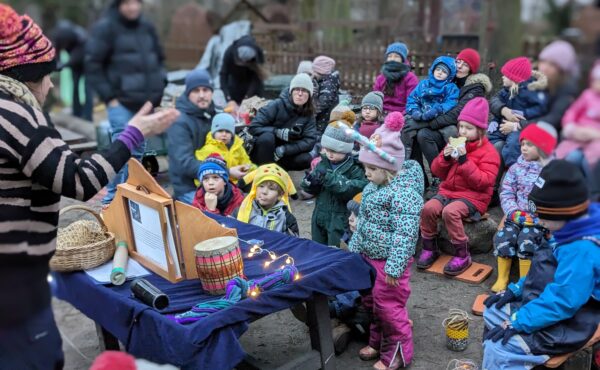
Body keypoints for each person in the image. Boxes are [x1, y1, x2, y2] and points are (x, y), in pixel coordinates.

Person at [0, 5, 178, 368]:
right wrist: (132, 135)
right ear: (26, 75)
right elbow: (79, 181)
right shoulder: (14, 115)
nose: (51, 84)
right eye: (47, 75)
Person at [482, 160, 600, 370]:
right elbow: (545, 270)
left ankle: (509, 360)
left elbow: (564, 300)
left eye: (543, 216)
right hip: (550, 303)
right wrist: (517, 289)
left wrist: (518, 321)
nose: (537, 220)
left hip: (577, 318)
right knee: (491, 311)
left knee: (497, 346)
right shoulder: (565, 229)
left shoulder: (581, 248)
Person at [348, 112, 424, 370]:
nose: (366, 174)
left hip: (390, 264)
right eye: (366, 168)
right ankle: (376, 341)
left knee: (388, 307)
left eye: (372, 169)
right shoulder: (373, 187)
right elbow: (365, 222)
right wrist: (355, 248)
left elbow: (405, 235)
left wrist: (394, 266)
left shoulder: (403, 195)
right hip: (369, 256)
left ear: (389, 169)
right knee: (372, 303)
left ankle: (398, 353)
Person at [85, 0, 167, 205]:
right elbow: (93, 64)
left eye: (136, 2)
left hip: (145, 103)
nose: (133, 7)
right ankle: (111, 202)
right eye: (127, 3)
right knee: (122, 154)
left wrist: (158, 91)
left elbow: (158, 61)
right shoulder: (107, 28)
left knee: (138, 156)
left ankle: (130, 200)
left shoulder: (146, 27)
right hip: (120, 103)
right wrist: (109, 98)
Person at [416, 98, 500, 275]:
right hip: (449, 191)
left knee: (450, 212)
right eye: (461, 126)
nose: (463, 131)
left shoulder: (490, 152)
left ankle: (462, 253)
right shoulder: (454, 143)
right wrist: (444, 158)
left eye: (468, 128)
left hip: (474, 197)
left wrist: (464, 161)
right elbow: (437, 171)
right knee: (428, 208)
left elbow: (483, 182)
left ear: (481, 130)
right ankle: (430, 247)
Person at [414, 48, 493, 197]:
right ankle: (437, 177)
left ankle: (453, 177)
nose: (459, 66)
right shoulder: (448, 80)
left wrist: (431, 122)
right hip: (440, 123)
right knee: (423, 135)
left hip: (461, 129)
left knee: (448, 132)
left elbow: (457, 113)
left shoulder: (475, 88)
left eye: (465, 64)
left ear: (471, 69)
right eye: (458, 62)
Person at [491, 123, 557, 292]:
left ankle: (523, 281)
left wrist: (538, 218)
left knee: (526, 241)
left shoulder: (550, 171)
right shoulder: (515, 168)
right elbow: (506, 191)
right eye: (522, 144)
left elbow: (554, 200)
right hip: (516, 216)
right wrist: (512, 211)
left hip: (538, 222)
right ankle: (502, 278)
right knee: (504, 237)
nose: (524, 149)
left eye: (530, 145)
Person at [301, 121, 368, 247]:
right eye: (328, 150)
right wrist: (309, 182)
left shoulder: (355, 168)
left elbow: (352, 188)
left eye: (335, 151)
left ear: (346, 149)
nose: (330, 154)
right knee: (317, 247)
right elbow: (309, 190)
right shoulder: (322, 163)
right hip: (320, 213)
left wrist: (329, 178)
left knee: (336, 249)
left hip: (340, 217)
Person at [167, 68, 218, 204]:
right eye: (196, 91)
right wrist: (220, 172)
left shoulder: (215, 115)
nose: (202, 95)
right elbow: (184, 162)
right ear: (188, 94)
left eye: (205, 90)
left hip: (216, 181)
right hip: (188, 187)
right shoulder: (179, 121)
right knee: (217, 214)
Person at [488, 56, 549, 168]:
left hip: (521, 127)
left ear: (514, 78)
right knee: (489, 138)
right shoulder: (506, 90)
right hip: (504, 123)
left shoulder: (530, 92)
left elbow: (539, 110)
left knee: (512, 146)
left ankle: (513, 170)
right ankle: (490, 171)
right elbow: (494, 100)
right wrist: (499, 116)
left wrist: (524, 114)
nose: (502, 77)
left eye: (505, 75)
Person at [249, 73, 318, 170]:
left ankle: (279, 171)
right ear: (291, 91)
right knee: (267, 138)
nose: (300, 94)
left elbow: (309, 141)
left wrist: (285, 150)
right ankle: (265, 171)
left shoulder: (309, 114)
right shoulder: (276, 105)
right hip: (264, 151)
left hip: (283, 153)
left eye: (304, 91)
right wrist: (276, 132)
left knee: (306, 159)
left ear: (309, 95)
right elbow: (253, 127)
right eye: (297, 89)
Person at [403, 56, 459, 160]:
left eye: (444, 71)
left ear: (449, 75)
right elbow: (413, 99)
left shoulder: (451, 88)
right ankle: (406, 155)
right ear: (433, 69)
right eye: (438, 69)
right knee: (406, 126)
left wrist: (438, 110)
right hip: (422, 117)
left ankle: (454, 157)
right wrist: (415, 111)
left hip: (440, 118)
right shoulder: (424, 84)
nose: (440, 72)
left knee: (452, 131)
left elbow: (451, 102)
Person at [555, 61, 600, 181]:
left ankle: (591, 193)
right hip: (578, 136)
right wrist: (571, 127)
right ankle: (570, 188)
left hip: (596, 141)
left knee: (590, 163)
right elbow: (572, 112)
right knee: (571, 158)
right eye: (595, 80)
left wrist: (595, 134)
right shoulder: (587, 95)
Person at [529, 40, 580, 132]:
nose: (545, 67)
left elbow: (554, 118)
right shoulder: (532, 79)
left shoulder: (567, 89)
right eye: (543, 61)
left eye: (552, 64)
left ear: (562, 71)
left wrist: (521, 125)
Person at [236, 163, 298, 236]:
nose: (264, 192)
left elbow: (294, 242)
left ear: (280, 195)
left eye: (271, 189)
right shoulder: (243, 210)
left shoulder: (286, 217)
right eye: (261, 186)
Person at [50, 19, 93, 121]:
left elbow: (78, 56)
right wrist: (56, 63)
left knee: (88, 88)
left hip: (86, 61)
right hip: (75, 64)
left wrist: (65, 64)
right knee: (75, 87)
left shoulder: (81, 36)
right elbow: (57, 51)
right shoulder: (58, 36)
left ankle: (88, 116)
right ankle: (76, 113)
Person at [195, 112, 255, 184]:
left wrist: (248, 168)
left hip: (237, 183)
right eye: (220, 131)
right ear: (213, 133)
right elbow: (201, 171)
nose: (224, 134)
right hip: (217, 186)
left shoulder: (237, 147)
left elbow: (246, 162)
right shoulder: (207, 150)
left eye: (227, 132)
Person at [373, 42, 419, 115]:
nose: (392, 59)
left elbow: (412, 102)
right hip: (381, 113)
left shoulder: (411, 78)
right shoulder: (381, 78)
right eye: (390, 56)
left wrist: (400, 116)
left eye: (396, 56)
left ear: (402, 59)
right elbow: (375, 100)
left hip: (402, 115)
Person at [219, 35, 266, 105]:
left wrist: (248, 97)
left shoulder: (258, 54)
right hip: (234, 85)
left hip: (254, 88)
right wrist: (228, 96)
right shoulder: (229, 52)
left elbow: (256, 79)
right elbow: (223, 74)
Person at [312, 55, 341, 133]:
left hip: (324, 121)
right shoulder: (324, 82)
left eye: (315, 71)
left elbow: (323, 103)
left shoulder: (328, 84)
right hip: (323, 120)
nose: (313, 74)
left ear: (321, 71)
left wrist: (312, 112)